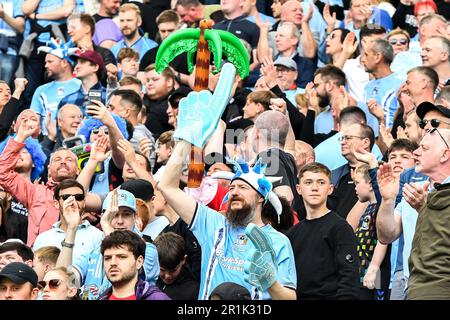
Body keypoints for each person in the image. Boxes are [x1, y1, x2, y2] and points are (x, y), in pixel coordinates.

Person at [159, 68, 297, 300]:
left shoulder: (278, 241)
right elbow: (167, 187)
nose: (234, 191)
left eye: (242, 188)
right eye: (231, 187)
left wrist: (270, 282)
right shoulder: (212, 224)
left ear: (261, 197)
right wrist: (185, 140)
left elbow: (290, 298)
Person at [377, 128, 450, 300]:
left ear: (444, 155)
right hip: (410, 284)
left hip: (441, 288)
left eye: (424, 149)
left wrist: (425, 209)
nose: (415, 153)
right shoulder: (414, 191)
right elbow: (386, 235)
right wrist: (387, 200)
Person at [56, 189, 160, 300]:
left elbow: (123, 266)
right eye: (114, 215)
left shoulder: (147, 249)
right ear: (103, 216)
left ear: (135, 217)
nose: (120, 221)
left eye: (126, 214)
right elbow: (63, 279)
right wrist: (72, 229)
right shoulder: (94, 248)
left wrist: (106, 226)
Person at [286, 162, 360, 300]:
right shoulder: (292, 233)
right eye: (308, 182)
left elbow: (349, 278)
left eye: (321, 182)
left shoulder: (340, 228)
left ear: (330, 189)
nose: (314, 188)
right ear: (298, 189)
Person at [32, 179, 103, 262]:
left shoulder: (98, 236)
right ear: (56, 204)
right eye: (66, 197)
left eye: (78, 197)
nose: (72, 202)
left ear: (84, 203)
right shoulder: (43, 239)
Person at [98, 230, 170, 300]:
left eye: (121, 257)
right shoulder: (101, 298)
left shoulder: (157, 298)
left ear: (139, 262)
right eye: (108, 258)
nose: (112, 263)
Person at [30, 39, 81, 135]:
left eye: (50, 61)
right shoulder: (41, 90)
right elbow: (33, 122)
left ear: (64, 63)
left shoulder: (80, 85)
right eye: (45, 62)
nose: (46, 65)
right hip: (47, 141)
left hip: (76, 140)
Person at [362, 38, 404, 128]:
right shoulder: (367, 86)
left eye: (366, 55)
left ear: (378, 57)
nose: (363, 60)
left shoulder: (400, 84)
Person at [57, 50, 107, 116]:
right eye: (77, 63)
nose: (76, 67)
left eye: (82, 62)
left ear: (95, 67)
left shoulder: (109, 96)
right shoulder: (66, 101)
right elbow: (59, 125)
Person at [154, 232, 199, 300]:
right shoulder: (149, 281)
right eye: (162, 270)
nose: (167, 276)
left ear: (183, 260)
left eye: (173, 270)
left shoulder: (192, 290)